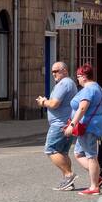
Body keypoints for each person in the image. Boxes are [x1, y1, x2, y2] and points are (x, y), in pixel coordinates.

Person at [65, 64, 102, 197]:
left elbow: (82, 108)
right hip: (93, 124)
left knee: (91, 156)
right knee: (79, 153)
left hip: (88, 126)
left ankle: (94, 186)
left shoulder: (88, 90)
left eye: (78, 76)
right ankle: (97, 177)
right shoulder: (98, 88)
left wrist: (72, 125)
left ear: (84, 77)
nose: (77, 79)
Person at [36, 61, 78, 190]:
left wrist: (43, 102)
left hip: (60, 124)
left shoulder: (64, 83)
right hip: (67, 123)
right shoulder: (68, 83)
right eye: (52, 71)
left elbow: (54, 104)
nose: (54, 74)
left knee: (51, 150)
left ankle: (69, 174)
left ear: (65, 70)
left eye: (57, 71)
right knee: (62, 152)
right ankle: (68, 181)